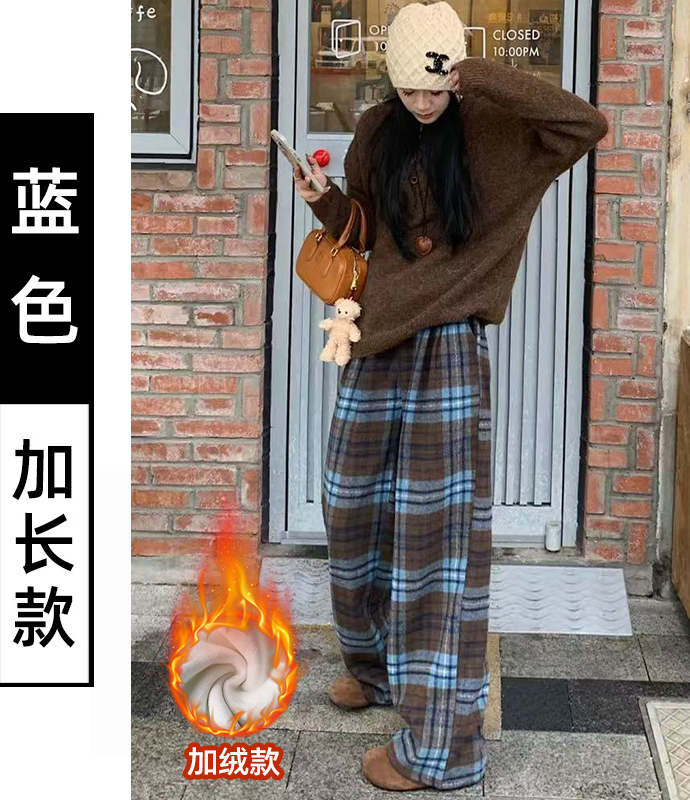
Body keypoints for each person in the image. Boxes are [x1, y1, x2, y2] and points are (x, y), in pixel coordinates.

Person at [292, 1, 608, 793]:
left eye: (434, 87)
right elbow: (367, 228)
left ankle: (443, 750)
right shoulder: (377, 130)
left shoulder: (496, 131)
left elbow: (585, 124)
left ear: (453, 74)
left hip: (450, 354)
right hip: (378, 345)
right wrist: (323, 201)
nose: (424, 102)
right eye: (411, 88)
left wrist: (479, 78)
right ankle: (376, 670)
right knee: (352, 508)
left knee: (437, 545)